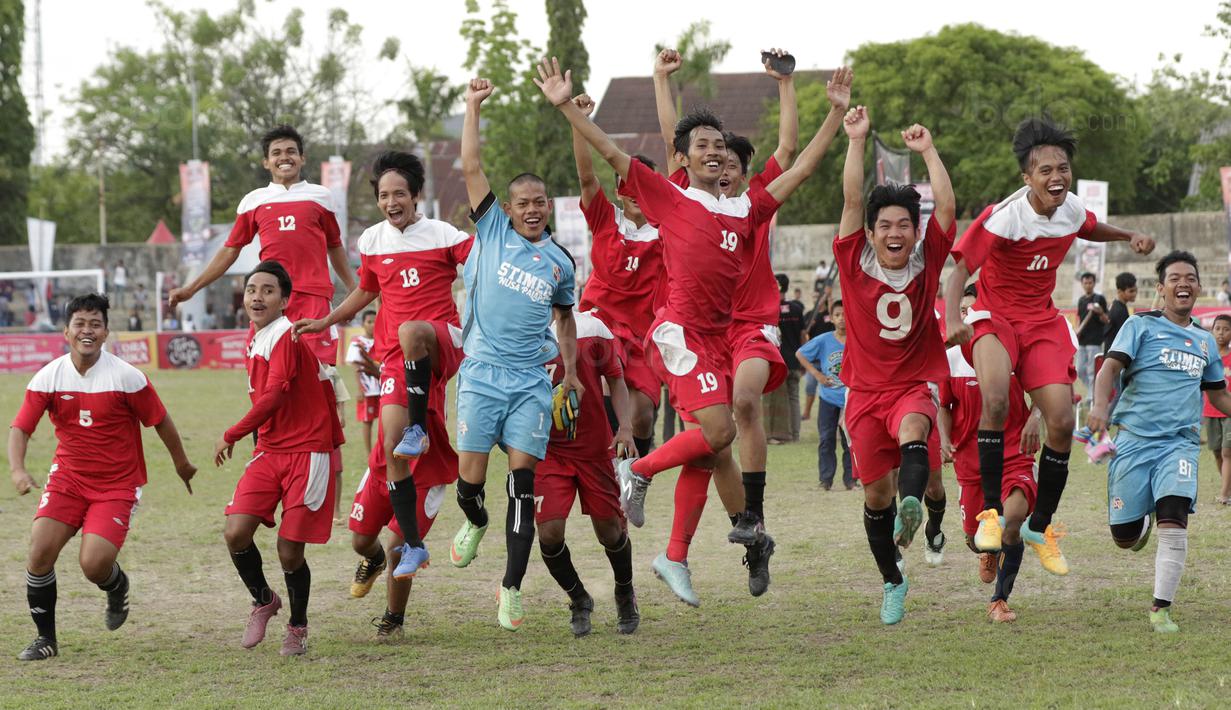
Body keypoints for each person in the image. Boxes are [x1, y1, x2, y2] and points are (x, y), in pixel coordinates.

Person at [543, 54, 852, 604]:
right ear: (682, 161)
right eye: (702, 146)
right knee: (723, 431)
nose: (715, 152)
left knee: (713, 447)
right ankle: (639, 471)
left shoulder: (747, 208)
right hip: (680, 335)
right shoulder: (671, 197)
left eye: (720, 145)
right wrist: (566, 106)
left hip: (721, 340)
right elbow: (610, 150)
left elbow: (799, 166)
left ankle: (687, 549)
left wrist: (834, 114)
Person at [943, 118, 1156, 575]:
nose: (1056, 177)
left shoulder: (1070, 206)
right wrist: (953, 316)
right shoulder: (1005, 216)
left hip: (1040, 321)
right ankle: (992, 516)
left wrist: (1127, 236)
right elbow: (958, 268)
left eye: (1063, 167)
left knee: (1060, 420)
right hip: (995, 316)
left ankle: (1040, 526)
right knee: (995, 400)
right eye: (1045, 170)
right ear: (1027, 177)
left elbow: (1090, 225)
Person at [652, 48, 802, 564]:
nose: (723, 168)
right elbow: (674, 139)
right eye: (713, 158)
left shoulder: (755, 204)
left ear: (743, 172)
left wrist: (786, 84)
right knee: (713, 446)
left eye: (733, 163)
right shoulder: (685, 196)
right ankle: (751, 536)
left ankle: (749, 514)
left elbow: (790, 147)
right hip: (700, 332)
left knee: (739, 409)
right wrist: (662, 80)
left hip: (750, 325)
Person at [295, 151, 472, 586]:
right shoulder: (373, 240)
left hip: (441, 341)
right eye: (383, 195)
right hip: (396, 357)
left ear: (416, 195)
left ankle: (419, 434)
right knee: (393, 443)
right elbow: (365, 291)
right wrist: (327, 318)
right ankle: (411, 544)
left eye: (399, 194)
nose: (391, 202)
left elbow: (484, 266)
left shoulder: (445, 235)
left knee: (413, 330)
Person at [451, 76, 581, 631]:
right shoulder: (494, 232)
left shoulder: (561, 263)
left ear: (549, 206)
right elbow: (470, 165)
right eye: (522, 203)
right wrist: (473, 107)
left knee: (523, 487)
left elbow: (565, 317)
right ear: (507, 208)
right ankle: (475, 520)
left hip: (531, 382)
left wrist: (569, 371)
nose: (532, 210)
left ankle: (510, 588)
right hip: (480, 375)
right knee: (471, 486)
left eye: (539, 202)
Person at [10, 293, 196, 661]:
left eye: (95, 324)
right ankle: (45, 639)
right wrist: (17, 469)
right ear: (66, 331)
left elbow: (160, 421)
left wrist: (182, 464)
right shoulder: (49, 376)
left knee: (93, 564)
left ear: (106, 331)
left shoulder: (126, 377)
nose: (87, 330)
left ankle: (116, 584)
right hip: (68, 479)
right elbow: (20, 428)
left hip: (116, 485)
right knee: (39, 551)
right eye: (80, 323)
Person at [835, 106, 957, 625]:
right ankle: (893, 581)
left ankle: (918, 510)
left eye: (904, 224)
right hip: (863, 394)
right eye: (884, 224)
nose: (894, 232)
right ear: (871, 232)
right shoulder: (851, 260)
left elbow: (948, 210)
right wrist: (857, 140)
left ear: (914, 231)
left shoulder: (926, 261)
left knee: (916, 433)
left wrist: (927, 150)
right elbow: (850, 198)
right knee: (873, 497)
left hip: (910, 385)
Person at [1089, 250, 1231, 633]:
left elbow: (1218, 396)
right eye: (1175, 278)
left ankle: (1160, 608)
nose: (1183, 283)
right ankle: (1138, 520)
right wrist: (1099, 407)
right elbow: (1110, 370)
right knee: (1123, 537)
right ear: (1161, 288)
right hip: (1134, 441)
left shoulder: (1204, 342)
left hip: (1180, 444)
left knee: (1175, 518)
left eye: (1190, 277)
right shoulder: (1140, 327)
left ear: (1199, 287)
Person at [214, 261, 344, 656]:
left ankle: (298, 626)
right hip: (270, 450)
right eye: (252, 288)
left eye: (268, 290)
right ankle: (263, 599)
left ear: (285, 300)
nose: (257, 296)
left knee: (289, 549)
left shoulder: (286, 334)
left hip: (307, 450)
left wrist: (231, 433)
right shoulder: (255, 339)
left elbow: (273, 398)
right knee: (236, 532)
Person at [168, 124, 356, 366]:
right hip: (270, 299)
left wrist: (353, 288)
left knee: (319, 377)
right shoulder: (253, 201)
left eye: (291, 151)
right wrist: (191, 288)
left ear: (302, 158)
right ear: (266, 162)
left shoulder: (322, 196)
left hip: (313, 297)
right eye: (276, 153)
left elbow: (335, 245)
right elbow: (229, 250)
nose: (284, 157)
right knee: (268, 375)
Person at [938, 285, 1042, 622]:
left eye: (977, 310)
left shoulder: (1011, 349)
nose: (971, 317)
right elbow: (943, 406)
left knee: (1010, 523)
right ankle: (987, 551)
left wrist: (1034, 419)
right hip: (971, 460)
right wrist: (942, 438)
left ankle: (999, 600)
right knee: (976, 539)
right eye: (964, 311)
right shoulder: (952, 357)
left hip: (1014, 454)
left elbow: (1045, 389)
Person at [569, 93, 663, 461]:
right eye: (628, 183)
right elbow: (586, 174)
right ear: (620, 188)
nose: (636, 191)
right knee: (604, 397)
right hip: (599, 330)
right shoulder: (606, 219)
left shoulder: (667, 230)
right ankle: (606, 466)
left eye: (645, 184)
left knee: (641, 414)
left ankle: (635, 468)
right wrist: (579, 120)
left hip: (643, 335)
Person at [537, 310, 640, 636]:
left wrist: (624, 426)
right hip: (547, 452)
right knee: (549, 534)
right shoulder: (521, 325)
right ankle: (579, 599)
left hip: (595, 450)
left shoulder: (593, 327)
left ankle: (625, 591)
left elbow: (616, 378)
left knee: (609, 533)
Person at [347, 421, 454, 640]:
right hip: (384, 464)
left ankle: (393, 620)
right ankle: (375, 560)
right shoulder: (384, 383)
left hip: (425, 473)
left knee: (398, 550)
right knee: (360, 541)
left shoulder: (434, 383)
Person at [795, 299, 851, 490]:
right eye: (837, 315)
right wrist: (817, 374)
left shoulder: (857, 339)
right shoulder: (824, 339)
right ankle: (825, 480)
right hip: (828, 398)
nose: (842, 319)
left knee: (849, 441)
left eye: (845, 314)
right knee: (826, 439)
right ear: (831, 318)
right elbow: (800, 354)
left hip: (850, 399)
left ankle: (851, 480)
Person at [765, 273, 805, 443]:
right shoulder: (796, 309)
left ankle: (775, 434)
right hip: (795, 360)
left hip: (777, 362)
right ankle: (795, 434)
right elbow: (803, 336)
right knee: (794, 398)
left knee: (773, 400)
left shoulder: (769, 308)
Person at [1202, 314, 1231, 504]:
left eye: (1226, 329)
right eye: (1218, 328)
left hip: (1229, 412)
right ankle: (1227, 486)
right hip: (1210, 411)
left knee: (1228, 452)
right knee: (1216, 452)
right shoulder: (1207, 358)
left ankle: (1224, 494)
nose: (1221, 333)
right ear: (1212, 331)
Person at [345, 310, 382, 455]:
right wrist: (359, 389)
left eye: (375, 322)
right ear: (363, 324)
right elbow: (355, 365)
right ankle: (369, 454)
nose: (372, 325)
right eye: (369, 322)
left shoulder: (382, 340)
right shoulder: (357, 342)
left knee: (385, 421)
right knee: (368, 421)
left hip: (383, 387)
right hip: (367, 390)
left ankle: (382, 451)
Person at [1075, 272, 1108, 399]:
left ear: (1094, 283)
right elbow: (1079, 317)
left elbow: (1107, 319)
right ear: (1082, 284)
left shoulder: (1099, 299)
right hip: (1082, 340)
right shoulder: (1081, 300)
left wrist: (1100, 312)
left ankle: (1092, 397)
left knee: (1092, 370)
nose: (1088, 285)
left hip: (1095, 340)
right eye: (1085, 283)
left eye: (1090, 283)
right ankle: (1092, 389)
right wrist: (1077, 331)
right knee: (1080, 370)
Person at [1103, 272, 1137, 354]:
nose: (1134, 294)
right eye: (1131, 291)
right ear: (1120, 292)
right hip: (1114, 356)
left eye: (1136, 290)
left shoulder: (1116, 305)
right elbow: (1125, 338)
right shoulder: (1119, 311)